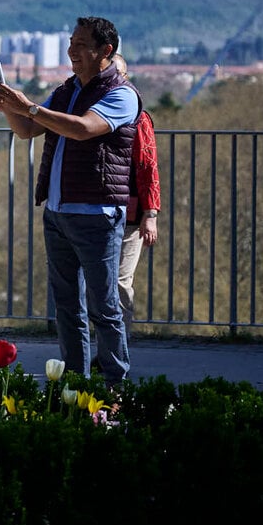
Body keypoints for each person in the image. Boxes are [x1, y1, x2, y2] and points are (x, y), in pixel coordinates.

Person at [0, 16, 140, 385]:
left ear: (105, 51)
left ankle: (114, 386)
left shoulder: (121, 94)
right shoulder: (67, 90)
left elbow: (84, 128)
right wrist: (10, 106)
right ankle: (75, 385)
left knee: (104, 308)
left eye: (81, 44)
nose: (72, 51)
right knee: (68, 309)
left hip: (96, 216)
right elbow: (26, 131)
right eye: (71, 42)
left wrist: (31, 108)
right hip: (57, 214)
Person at [112, 53, 159, 332]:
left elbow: (147, 165)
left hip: (130, 213)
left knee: (119, 281)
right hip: (106, 208)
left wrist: (150, 213)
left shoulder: (138, 117)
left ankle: (119, 348)